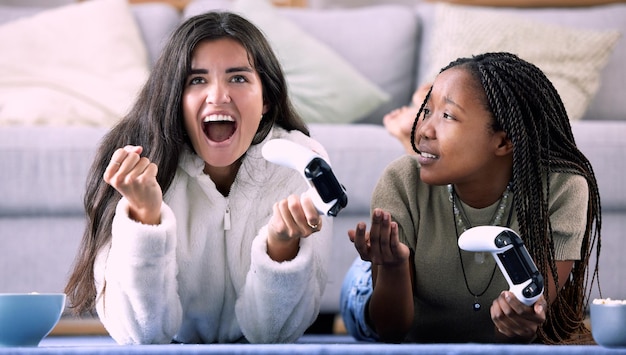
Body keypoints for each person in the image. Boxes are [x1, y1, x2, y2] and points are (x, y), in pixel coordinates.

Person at [64, 11, 333, 345]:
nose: (218, 96)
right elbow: (141, 335)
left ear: (266, 99)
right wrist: (145, 218)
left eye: (238, 78)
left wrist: (281, 246)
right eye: (196, 80)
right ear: (174, 98)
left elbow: (273, 335)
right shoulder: (138, 166)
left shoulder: (300, 164)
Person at [340, 52, 601, 344]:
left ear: (502, 140)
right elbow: (392, 331)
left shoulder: (563, 189)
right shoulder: (400, 180)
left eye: (447, 115)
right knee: (374, 264)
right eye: (426, 112)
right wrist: (391, 266)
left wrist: (517, 325)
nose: (424, 129)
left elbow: (523, 326)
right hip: (380, 287)